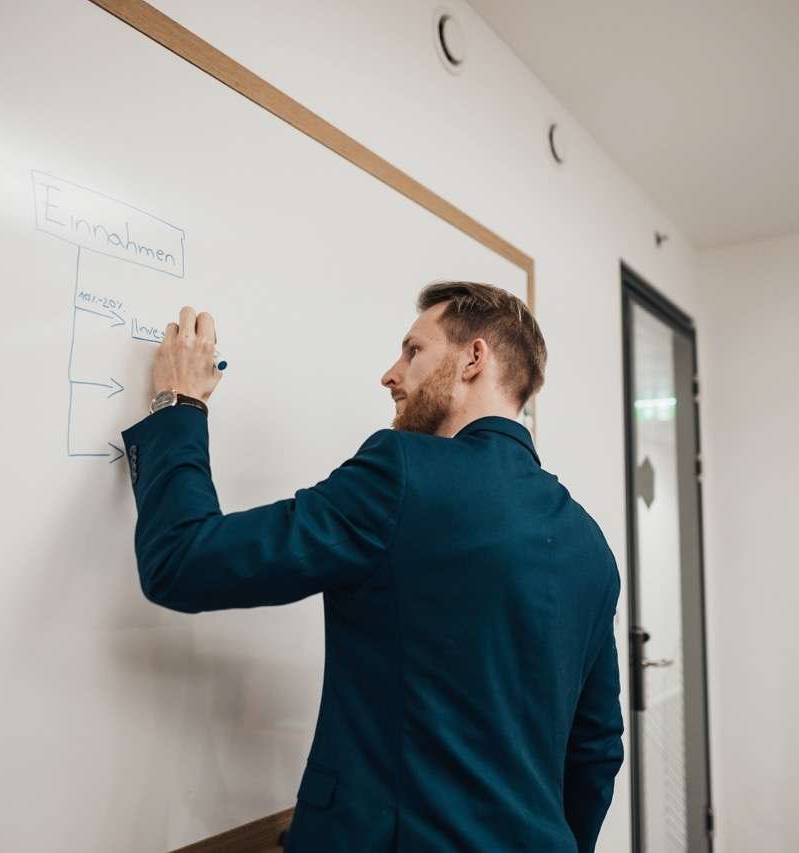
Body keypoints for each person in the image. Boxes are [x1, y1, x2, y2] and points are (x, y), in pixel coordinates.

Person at [120, 281, 623, 852]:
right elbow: (597, 747)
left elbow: (183, 560)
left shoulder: (404, 472)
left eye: (413, 351)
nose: (391, 374)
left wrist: (179, 404)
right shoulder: (591, 545)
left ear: (473, 359)